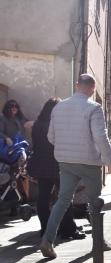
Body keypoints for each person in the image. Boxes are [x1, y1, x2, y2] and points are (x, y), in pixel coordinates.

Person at [39, 74, 111, 259]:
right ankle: (99, 243)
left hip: (65, 161)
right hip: (89, 162)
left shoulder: (58, 107)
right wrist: (110, 160)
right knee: (94, 202)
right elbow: (100, 136)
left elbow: (51, 136)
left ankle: (47, 240)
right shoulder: (94, 107)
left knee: (63, 200)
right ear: (91, 89)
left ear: (76, 86)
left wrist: (64, 148)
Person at [27, 98, 83, 240]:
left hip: (41, 165)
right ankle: (68, 229)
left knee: (43, 198)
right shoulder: (59, 125)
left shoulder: (37, 125)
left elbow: (36, 145)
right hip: (58, 164)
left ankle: (45, 230)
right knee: (65, 197)